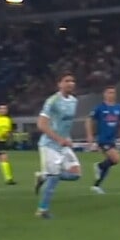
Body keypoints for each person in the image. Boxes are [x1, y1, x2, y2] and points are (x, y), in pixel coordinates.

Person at [34, 73, 82, 219]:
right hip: (49, 145)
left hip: (63, 144)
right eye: (67, 81)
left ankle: (44, 176)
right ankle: (42, 210)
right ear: (59, 84)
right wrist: (59, 139)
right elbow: (41, 124)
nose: (71, 83)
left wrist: (67, 138)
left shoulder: (74, 101)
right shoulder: (52, 101)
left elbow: (65, 124)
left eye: (72, 81)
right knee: (54, 177)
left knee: (76, 174)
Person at [86, 85, 120, 194]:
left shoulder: (119, 108)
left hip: (112, 139)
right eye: (109, 92)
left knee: (109, 163)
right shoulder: (100, 108)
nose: (111, 95)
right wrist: (90, 135)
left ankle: (96, 185)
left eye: (113, 92)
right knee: (116, 159)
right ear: (104, 94)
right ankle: (98, 166)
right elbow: (89, 120)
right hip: (103, 139)